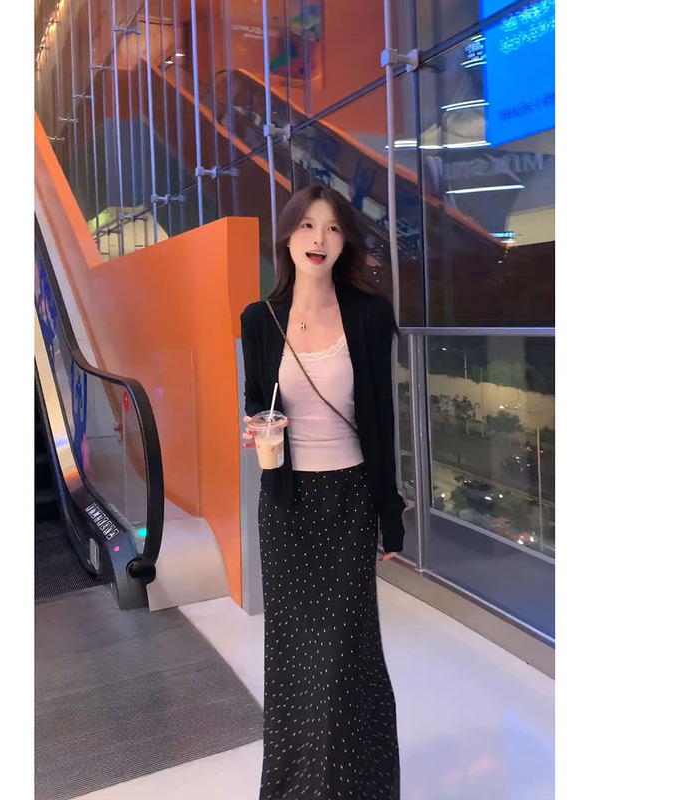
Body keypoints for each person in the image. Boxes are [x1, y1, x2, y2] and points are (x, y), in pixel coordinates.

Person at [240, 185, 406, 799]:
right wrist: (256, 428)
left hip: (349, 500)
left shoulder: (368, 315)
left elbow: (381, 419)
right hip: (286, 507)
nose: (319, 239)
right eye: (307, 226)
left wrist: (391, 512)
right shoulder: (260, 319)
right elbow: (258, 401)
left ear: (345, 242)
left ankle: (359, 786)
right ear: (287, 237)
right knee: (294, 660)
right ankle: (297, 786)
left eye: (333, 228)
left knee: (345, 655)